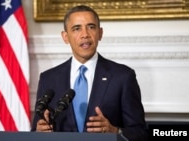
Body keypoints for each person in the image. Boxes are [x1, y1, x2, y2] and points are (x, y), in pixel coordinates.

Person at [31, 5, 149, 141]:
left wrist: (115, 131)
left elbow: (141, 133)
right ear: (65, 37)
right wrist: (38, 132)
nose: (85, 34)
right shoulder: (49, 79)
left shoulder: (123, 77)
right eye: (77, 29)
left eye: (91, 27)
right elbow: (36, 129)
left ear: (100, 33)